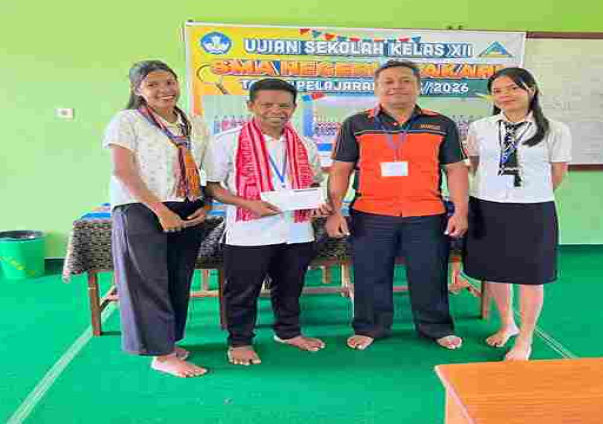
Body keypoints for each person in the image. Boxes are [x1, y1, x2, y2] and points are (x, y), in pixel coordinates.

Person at [326, 60, 469, 351]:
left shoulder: (441, 124)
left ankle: (436, 327)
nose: (397, 87)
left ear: (418, 87)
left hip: (427, 213)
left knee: (429, 273)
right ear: (376, 88)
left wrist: (461, 212)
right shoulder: (356, 124)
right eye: (388, 82)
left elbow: (455, 170)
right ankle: (370, 327)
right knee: (370, 274)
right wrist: (335, 211)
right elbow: (340, 170)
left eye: (405, 81)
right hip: (371, 213)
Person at [205, 78, 331, 366]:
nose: (276, 110)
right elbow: (212, 186)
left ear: (294, 108)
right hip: (249, 229)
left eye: (284, 105)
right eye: (267, 104)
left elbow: (313, 182)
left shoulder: (304, 143)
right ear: (251, 106)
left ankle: (288, 332)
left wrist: (316, 202)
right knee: (243, 290)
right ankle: (240, 341)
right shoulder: (226, 141)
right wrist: (247, 203)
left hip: (297, 229)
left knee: (290, 286)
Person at [104, 60, 212, 378]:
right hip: (141, 208)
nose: (164, 90)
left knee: (178, 277)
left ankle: (169, 343)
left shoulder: (194, 122)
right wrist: (160, 211)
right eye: (153, 84)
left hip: (187, 205)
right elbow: (123, 171)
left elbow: (205, 167)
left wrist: (206, 203)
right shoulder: (127, 120)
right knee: (148, 282)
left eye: (169, 82)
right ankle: (161, 356)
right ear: (138, 90)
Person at [463, 67, 572, 361]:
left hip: (533, 208)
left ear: (531, 90)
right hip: (487, 205)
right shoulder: (481, 127)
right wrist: (498, 189)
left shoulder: (555, 130)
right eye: (497, 91)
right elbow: (475, 164)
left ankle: (525, 339)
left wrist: (528, 194)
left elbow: (558, 172)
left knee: (531, 275)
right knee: (496, 270)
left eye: (513, 88)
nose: (505, 95)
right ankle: (507, 323)